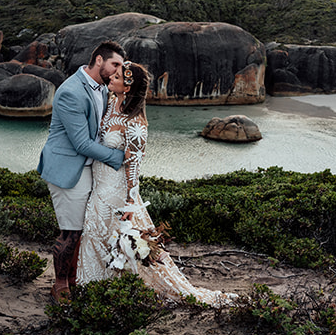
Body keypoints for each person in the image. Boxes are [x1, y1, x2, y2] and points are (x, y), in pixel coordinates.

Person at [76, 61, 235, 307]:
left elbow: (135, 167)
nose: (111, 78)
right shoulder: (110, 103)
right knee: (94, 237)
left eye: (116, 77)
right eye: (114, 74)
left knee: (113, 241)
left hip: (116, 191)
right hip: (99, 187)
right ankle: (92, 289)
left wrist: (131, 203)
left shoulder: (135, 123)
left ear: (127, 88)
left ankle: (111, 294)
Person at [38, 41, 129, 303]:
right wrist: (119, 158)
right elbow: (81, 143)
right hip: (68, 169)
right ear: (99, 60)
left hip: (89, 169)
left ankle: (75, 279)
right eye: (115, 64)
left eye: (120, 67)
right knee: (70, 232)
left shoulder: (102, 89)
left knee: (84, 230)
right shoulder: (71, 92)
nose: (117, 71)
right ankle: (60, 286)